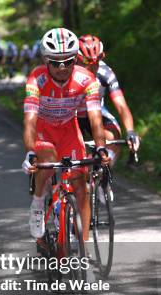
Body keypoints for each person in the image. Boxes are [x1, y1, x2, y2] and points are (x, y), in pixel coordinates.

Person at [21, 28, 109, 244]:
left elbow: (95, 117)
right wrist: (31, 152)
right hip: (43, 130)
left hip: (70, 131)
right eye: (55, 62)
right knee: (48, 161)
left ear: (75, 60)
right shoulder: (37, 78)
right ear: (46, 60)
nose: (62, 67)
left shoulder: (87, 79)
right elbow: (30, 120)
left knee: (81, 187)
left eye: (68, 61)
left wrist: (100, 147)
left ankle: (84, 250)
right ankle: (37, 206)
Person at [76, 34, 140, 165]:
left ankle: (101, 172)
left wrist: (130, 131)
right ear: (77, 60)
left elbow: (121, 106)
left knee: (113, 136)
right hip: (73, 115)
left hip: (97, 113)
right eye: (87, 62)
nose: (93, 67)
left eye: (97, 62)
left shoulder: (105, 73)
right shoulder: (68, 74)